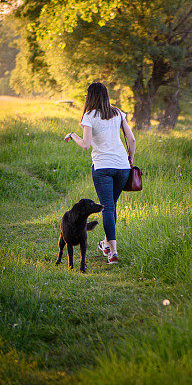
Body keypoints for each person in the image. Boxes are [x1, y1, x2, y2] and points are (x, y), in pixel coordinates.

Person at [64, 82, 136, 264]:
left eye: (87, 95)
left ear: (91, 96)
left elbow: (86, 145)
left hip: (103, 167)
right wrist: (130, 159)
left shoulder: (89, 116)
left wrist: (72, 135)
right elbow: (132, 139)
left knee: (108, 207)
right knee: (111, 206)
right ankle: (105, 244)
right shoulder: (118, 113)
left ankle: (113, 252)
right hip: (122, 167)